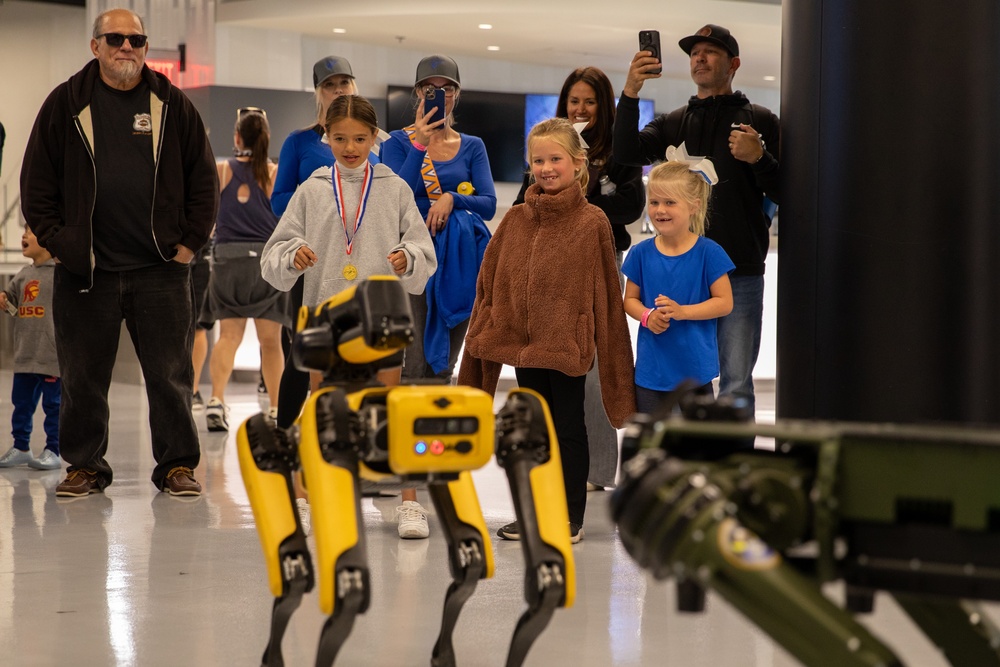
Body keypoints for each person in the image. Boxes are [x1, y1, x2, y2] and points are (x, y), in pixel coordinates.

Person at [20, 8, 218, 498]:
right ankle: (84, 466)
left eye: (136, 40)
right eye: (115, 39)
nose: (126, 47)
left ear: (146, 47)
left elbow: (203, 181)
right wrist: (61, 243)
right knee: (83, 378)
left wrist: (189, 245)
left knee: (171, 377)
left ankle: (176, 466)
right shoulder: (66, 103)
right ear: (96, 46)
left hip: (161, 270)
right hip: (88, 272)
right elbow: (36, 181)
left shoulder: (172, 104)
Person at [261, 94, 437, 538]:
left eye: (360, 138)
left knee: (388, 409)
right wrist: (292, 256)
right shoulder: (312, 189)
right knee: (321, 410)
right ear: (327, 137)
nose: (350, 147)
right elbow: (274, 253)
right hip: (323, 310)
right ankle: (304, 496)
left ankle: (408, 501)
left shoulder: (395, 187)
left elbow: (422, 248)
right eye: (340, 138)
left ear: (374, 137)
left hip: (383, 314)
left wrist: (406, 257)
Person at [458, 118, 636, 544]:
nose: (546, 167)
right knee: (531, 432)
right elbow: (490, 282)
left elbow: (608, 297)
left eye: (555, 158)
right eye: (538, 160)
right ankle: (534, 510)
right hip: (523, 348)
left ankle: (569, 517)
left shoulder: (593, 222)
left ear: (578, 164)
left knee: (568, 428)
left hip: (566, 348)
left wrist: (610, 358)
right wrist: (489, 329)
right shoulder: (516, 218)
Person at [613, 24, 780, 419]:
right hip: (678, 274)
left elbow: (791, 191)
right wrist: (631, 92)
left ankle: (732, 473)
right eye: (694, 53)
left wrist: (760, 157)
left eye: (711, 52)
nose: (699, 58)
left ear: (734, 63)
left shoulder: (760, 120)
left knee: (736, 382)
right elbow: (626, 151)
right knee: (679, 381)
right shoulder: (674, 120)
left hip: (739, 268)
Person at [514, 66, 645, 492]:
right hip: (546, 270)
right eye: (574, 100)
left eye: (589, 101)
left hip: (600, 257)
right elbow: (524, 203)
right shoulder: (546, 147)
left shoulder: (619, 147)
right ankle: (555, 476)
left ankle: (595, 473)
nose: (581, 108)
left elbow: (628, 207)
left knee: (592, 370)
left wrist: (580, 207)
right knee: (550, 381)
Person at [380, 54, 496, 384]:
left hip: (460, 260)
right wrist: (419, 144)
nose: (439, 94)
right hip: (412, 256)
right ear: (418, 93)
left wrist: (452, 197)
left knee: (447, 354)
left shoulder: (473, 146)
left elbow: (488, 204)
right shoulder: (397, 141)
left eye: (446, 88)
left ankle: (436, 426)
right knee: (412, 357)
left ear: (456, 94)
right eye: (430, 88)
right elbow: (393, 198)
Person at [622, 151, 734, 414]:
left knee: (694, 447)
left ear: (694, 205)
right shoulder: (640, 253)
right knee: (652, 446)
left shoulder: (710, 253)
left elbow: (725, 302)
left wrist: (684, 312)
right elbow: (629, 300)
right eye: (654, 202)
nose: (660, 210)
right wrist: (648, 316)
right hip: (652, 373)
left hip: (695, 373)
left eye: (670, 202)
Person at [202, 108, 289, 432]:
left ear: (237, 137)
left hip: (227, 262)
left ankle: (217, 400)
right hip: (265, 263)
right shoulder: (274, 174)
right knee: (271, 342)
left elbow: (210, 215)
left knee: (228, 337)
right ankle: (278, 409)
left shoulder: (223, 170)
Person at [0, 227, 62, 471]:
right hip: (26, 355)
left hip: (52, 357)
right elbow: (11, 299)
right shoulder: (24, 274)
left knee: (54, 406)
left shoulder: (60, 275)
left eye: (30, 232)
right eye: (24, 231)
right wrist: (4, 298)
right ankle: (21, 446)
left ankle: (54, 449)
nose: (24, 237)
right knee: (21, 403)